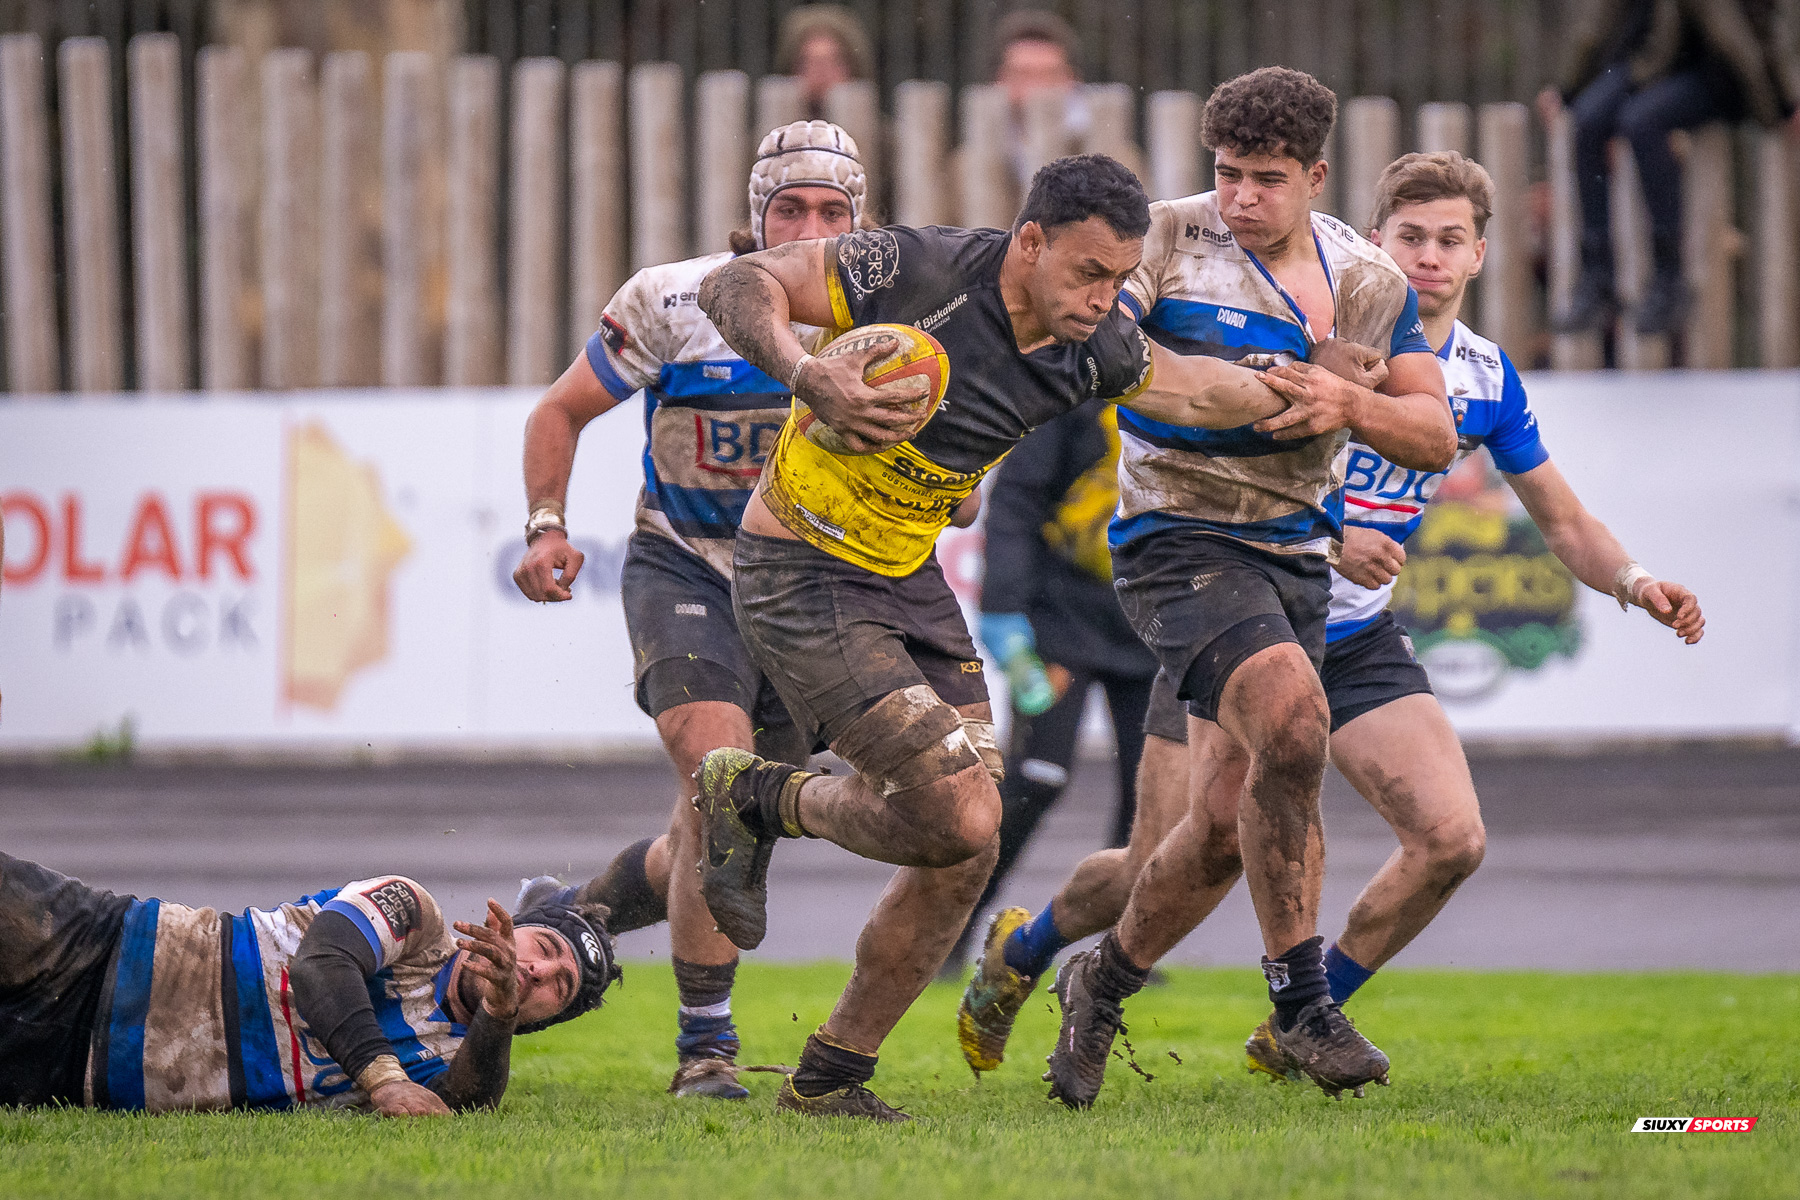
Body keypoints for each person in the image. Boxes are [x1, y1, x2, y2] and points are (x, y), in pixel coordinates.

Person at [691, 152, 1381, 1120]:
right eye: (1089, 273)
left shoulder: (1092, 348)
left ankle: (830, 1077)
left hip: (905, 577)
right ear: (1029, 244)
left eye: (1119, 277)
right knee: (964, 814)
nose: (1106, 298)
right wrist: (813, 374)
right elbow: (738, 281)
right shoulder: (921, 269)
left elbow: (1189, 390)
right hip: (799, 568)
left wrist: (1315, 393)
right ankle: (757, 793)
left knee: (967, 846)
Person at [1018, 67, 1457, 1109]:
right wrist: (1243, 394)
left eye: (1266, 178)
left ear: (1315, 175)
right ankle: (1303, 1001)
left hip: (1295, 556)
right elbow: (1110, 345)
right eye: (1226, 174)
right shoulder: (1167, 239)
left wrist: (1343, 398)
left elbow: (1433, 434)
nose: (1241, 198)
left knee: (1219, 825)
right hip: (1176, 537)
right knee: (1299, 725)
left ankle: (1101, 980)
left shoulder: (1365, 278)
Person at [512, 121, 874, 1101]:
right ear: (752, 216)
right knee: (721, 780)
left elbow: (958, 471)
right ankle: (705, 1049)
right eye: (787, 207)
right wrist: (546, 526)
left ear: (860, 218)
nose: (806, 226)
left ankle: (577, 912)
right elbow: (559, 411)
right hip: (683, 569)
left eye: (829, 210)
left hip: (808, 591)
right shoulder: (672, 298)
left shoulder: (887, 319)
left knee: (722, 829)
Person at [0, 851, 616, 1114]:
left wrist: (498, 1018)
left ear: (538, 1020)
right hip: (103, 947)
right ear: (508, 927)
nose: (538, 971)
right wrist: (385, 1081)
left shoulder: (460, 1067)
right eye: (546, 947)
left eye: (556, 989)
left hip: (82, 1069)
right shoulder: (416, 912)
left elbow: (470, 1104)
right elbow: (319, 967)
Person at [939, 395, 1159, 987]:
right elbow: (1015, 502)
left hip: (1151, 624)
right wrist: (1005, 611)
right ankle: (949, 932)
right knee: (1036, 778)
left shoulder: (1188, 386)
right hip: (1058, 621)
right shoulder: (1074, 395)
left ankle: (1125, 948)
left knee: (1153, 795)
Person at [1543, 0, 1800, 335]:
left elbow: (1759, 34)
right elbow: (1600, 29)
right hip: (1653, 64)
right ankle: (1598, 273)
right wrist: (1569, 91)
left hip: (1720, 73)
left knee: (1640, 120)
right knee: (1588, 121)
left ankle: (1670, 275)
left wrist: (1786, 101)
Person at [775, 5, 874, 121]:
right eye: (808, 62)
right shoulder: (770, 137)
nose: (821, 73)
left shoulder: (886, 136)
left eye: (834, 62)